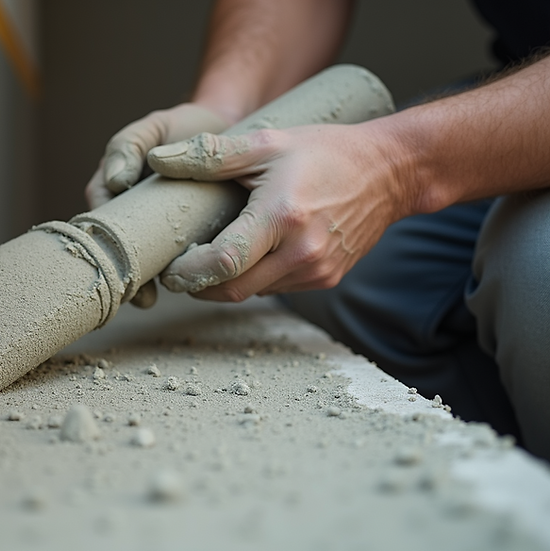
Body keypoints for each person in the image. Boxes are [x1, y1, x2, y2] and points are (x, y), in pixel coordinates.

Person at [85, 0, 550, 459]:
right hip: (523, 79)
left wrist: (394, 166)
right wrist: (230, 111)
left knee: (535, 270)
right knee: (344, 274)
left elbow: (396, 167)